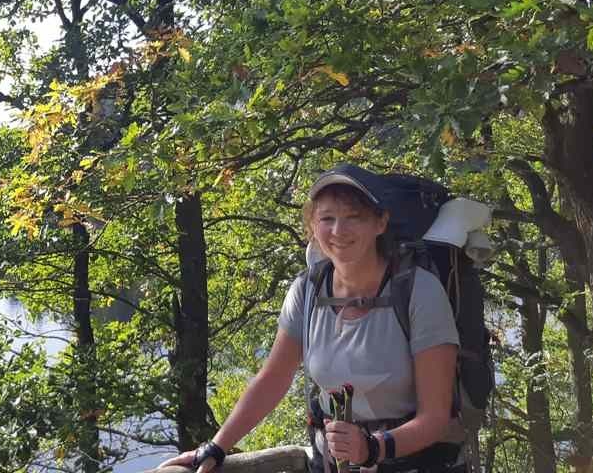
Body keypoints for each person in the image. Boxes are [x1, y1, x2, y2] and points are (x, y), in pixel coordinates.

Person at [159, 164, 463, 472]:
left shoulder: (419, 291)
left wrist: (372, 448)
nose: (338, 231)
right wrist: (216, 446)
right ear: (312, 227)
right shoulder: (307, 290)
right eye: (327, 219)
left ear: (380, 222)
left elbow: (435, 418)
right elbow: (273, 379)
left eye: (354, 217)